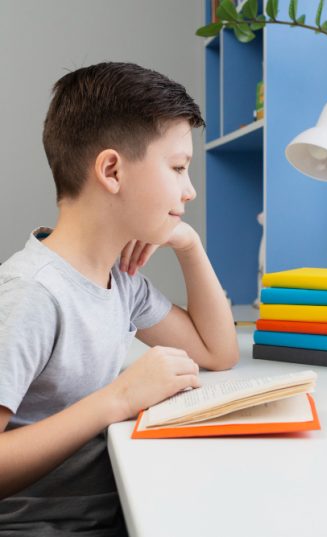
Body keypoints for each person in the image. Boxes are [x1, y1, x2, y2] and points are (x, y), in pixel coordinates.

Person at [0, 62, 239, 535]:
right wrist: (119, 398)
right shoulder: (32, 295)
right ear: (111, 170)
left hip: (112, 512)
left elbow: (218, 351)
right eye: (177, 168)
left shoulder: (119, 281)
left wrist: (188, 244)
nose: (189, 190)